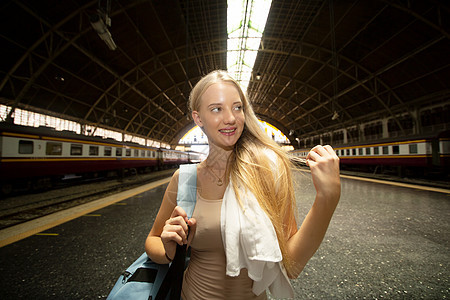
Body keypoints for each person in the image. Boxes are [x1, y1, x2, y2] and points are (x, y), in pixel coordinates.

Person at [145, 70, 341, 299]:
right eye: (217, 109)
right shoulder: (185, 179)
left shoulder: (267, 173)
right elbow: (152, 239)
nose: (230, 118)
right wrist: (168, 250)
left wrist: (327, 199)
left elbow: (292, 266)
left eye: (237, 107)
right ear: (198, 118)